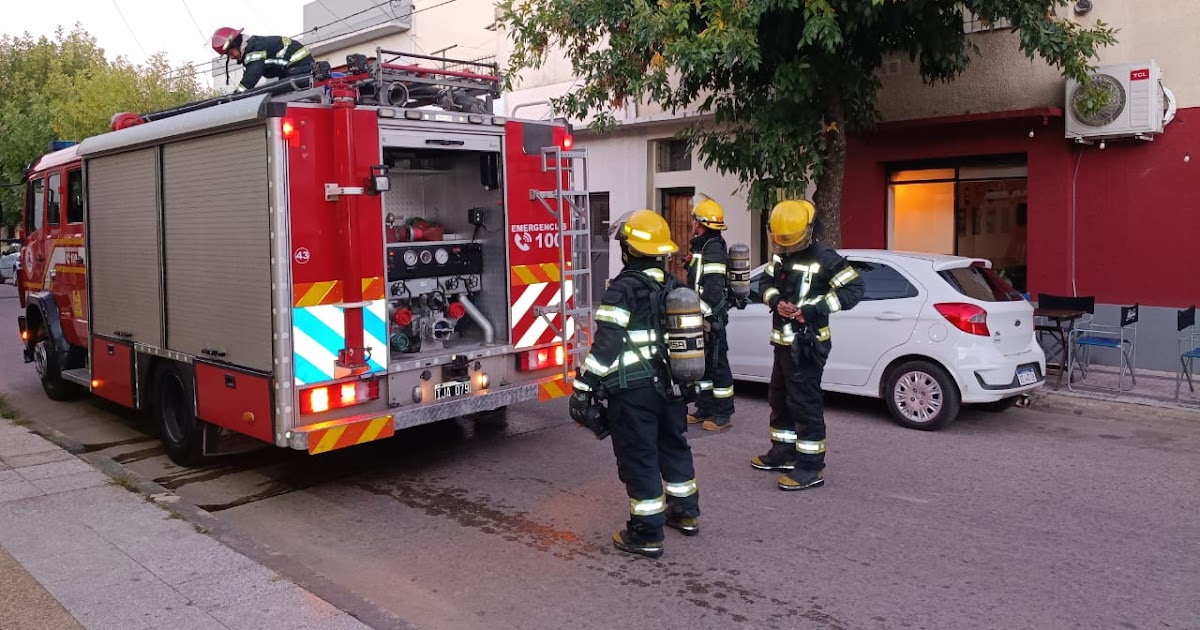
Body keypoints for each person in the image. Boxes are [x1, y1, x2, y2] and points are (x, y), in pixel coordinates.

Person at [570, 209, 699, 558]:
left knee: (640, 456)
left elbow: (606, 346)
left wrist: (584, 386)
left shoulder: (622, 290)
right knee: (673, 446)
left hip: (633, 390)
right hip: (672, 386)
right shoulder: (674, 286)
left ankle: (646, 533)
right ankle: (685, 513)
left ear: (629, 249)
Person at [752, 199, 864, 491]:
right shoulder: (781, 253)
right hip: (783, 343)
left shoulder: (824, 256)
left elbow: (854, 289)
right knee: (780, 399)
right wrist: (776, 302)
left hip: (809, 344)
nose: (785, 247)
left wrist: (812, 310)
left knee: (805, 404)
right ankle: (784, 452)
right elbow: (763, 284)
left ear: (808, 231)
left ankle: (810, 467)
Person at [685, 194, 736, 432]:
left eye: (696, 219)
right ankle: (704, 407)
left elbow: (714, 289)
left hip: (710, 318)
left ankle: (723, 413)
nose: (693, 222)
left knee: (717, 365)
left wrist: (702, 315)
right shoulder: (704, 245)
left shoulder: (713, 248)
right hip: (702, 316)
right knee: (703, 365)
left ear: (702, 223)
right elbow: (700, 279)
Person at [211, 27, 313, 94]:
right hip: (294, 70)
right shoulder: (252, 48)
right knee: (279, 92)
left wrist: (236, 96)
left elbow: (251, 77)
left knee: (279, 95)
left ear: (236, 45)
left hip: (300, 68)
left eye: (230, 53)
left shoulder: (254, 48)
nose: (232, 57)